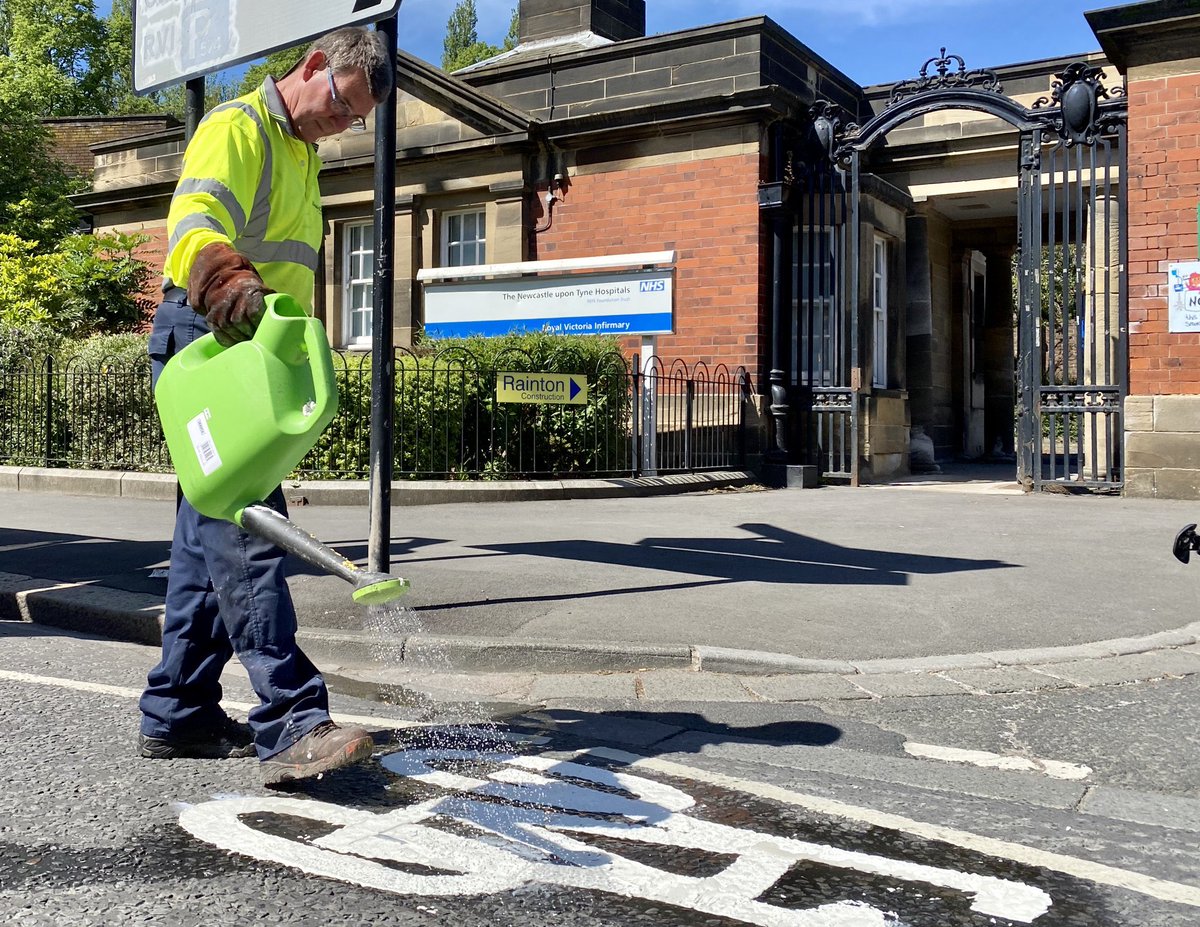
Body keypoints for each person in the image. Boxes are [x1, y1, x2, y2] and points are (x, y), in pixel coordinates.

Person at [137, 27, 393, 785]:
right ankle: (292, 719)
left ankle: (177, 712)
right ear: (314, 66)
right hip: (206, 340)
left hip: (247, 358)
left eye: (355, 121)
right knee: (248, 530)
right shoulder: (237, 128)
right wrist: (227, 283)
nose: (342, 126)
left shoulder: (301, 158)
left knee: (204, 540)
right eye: (342, 106)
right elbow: (193, 228)